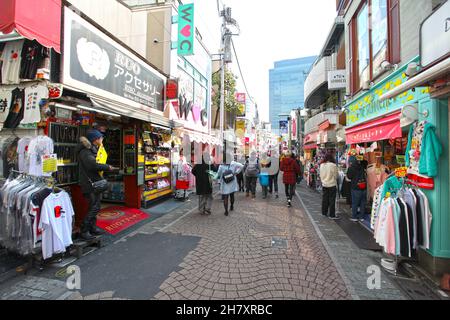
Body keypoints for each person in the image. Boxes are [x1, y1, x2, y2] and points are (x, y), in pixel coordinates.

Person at [77, 129, 116, 240]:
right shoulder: (85, 151)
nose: (102, 139)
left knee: (95, 205)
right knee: (94, 207)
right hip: (89, 183)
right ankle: (84, 230)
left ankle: (92, 227)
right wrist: (107, 167)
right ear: (95, 140)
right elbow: (92, 165)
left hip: (94, 182)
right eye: (100, 138)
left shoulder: (92, 149)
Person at [346, 156, 367, 222]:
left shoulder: (351, 168)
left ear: (350, 161)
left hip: (355, 187)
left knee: (355, 203)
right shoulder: (361, 166)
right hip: (363, 187)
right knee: (362, 203)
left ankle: (354, 216)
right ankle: (361, 217)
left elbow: (349, 177)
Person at [320, 154, 340, 219]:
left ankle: (324, 212)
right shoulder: (333, 165)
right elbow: (336, 175)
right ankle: (332, 215)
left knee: (325, 199)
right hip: (332, 184)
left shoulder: (322, 165)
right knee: (332, 200)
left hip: (324, 184)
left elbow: (320, 175)